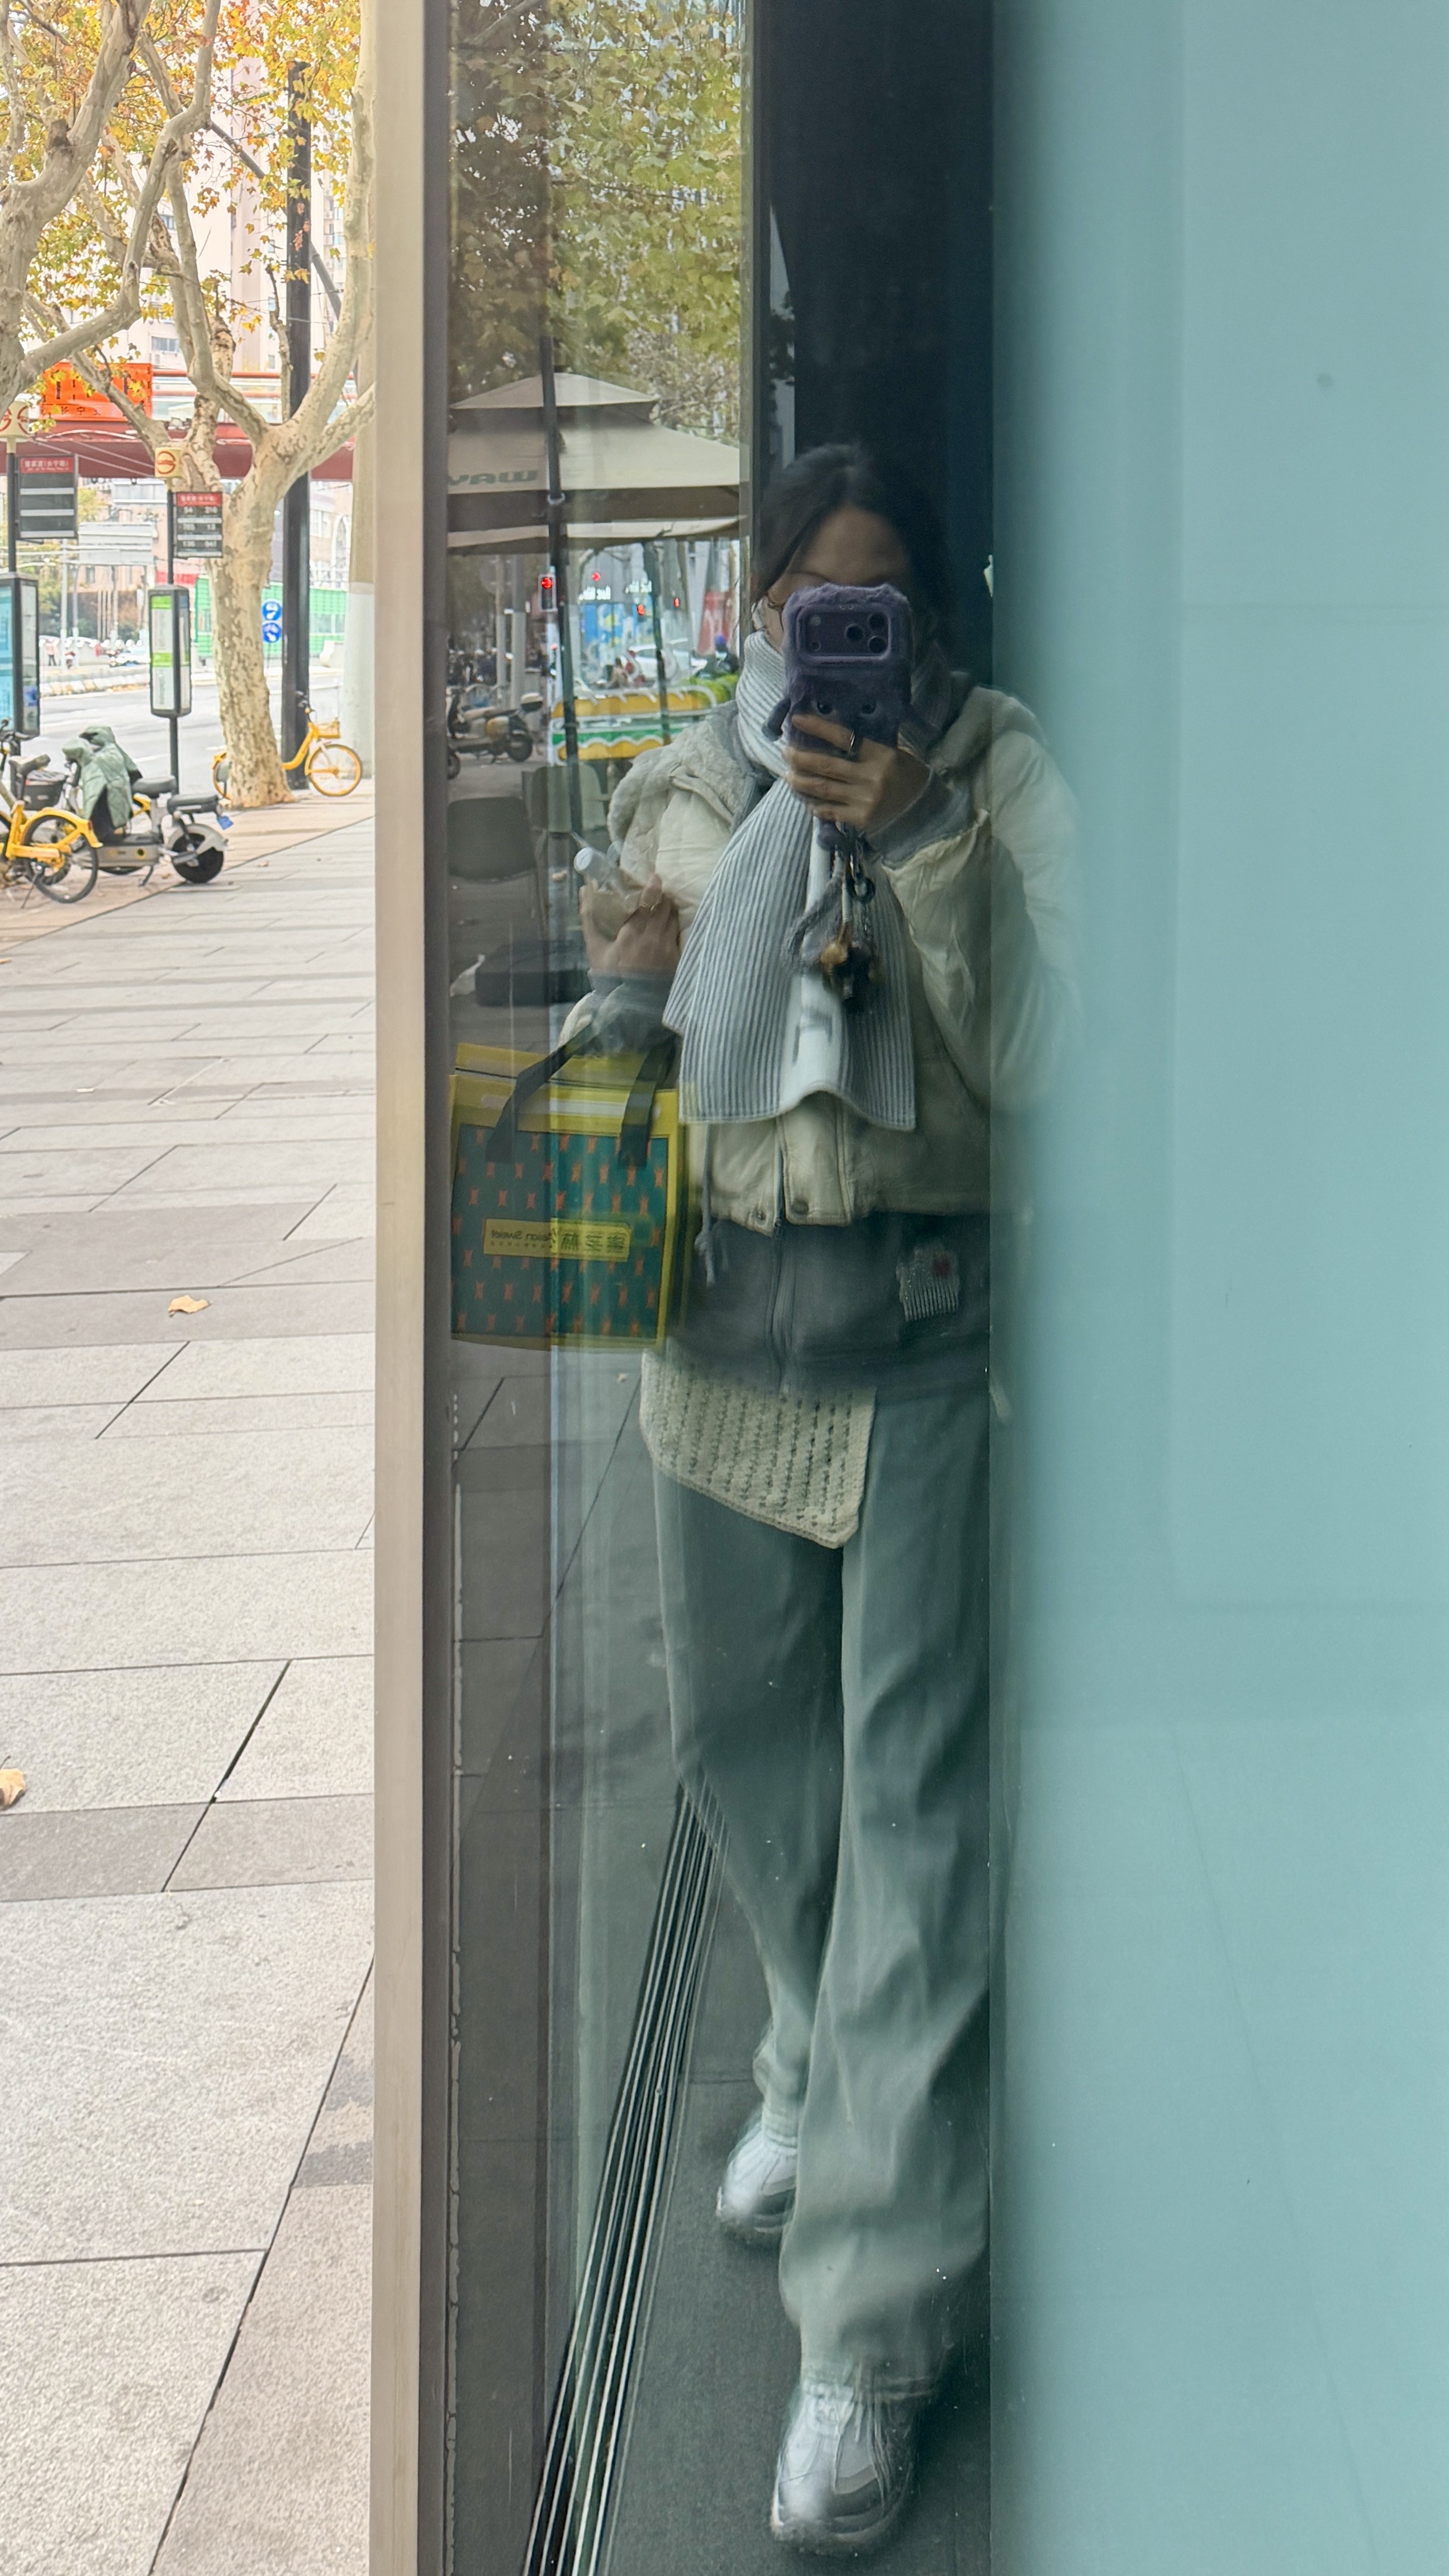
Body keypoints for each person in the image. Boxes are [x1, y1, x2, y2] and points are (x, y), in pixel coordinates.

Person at [571, 444, 1078, 2553]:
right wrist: (628, 957)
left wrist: (929, 841)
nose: (836, 640)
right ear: (757, 603)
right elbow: (642, 1036)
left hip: (922, 1344)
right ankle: (808, 2051)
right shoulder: (683, 779)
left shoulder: (998, 771)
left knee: (919, 1819)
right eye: (805, 603)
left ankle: (868, 2330)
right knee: (744, 1750)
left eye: (876, 604)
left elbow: (1053, 1055)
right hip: (712, 1343)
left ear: (927, 615)